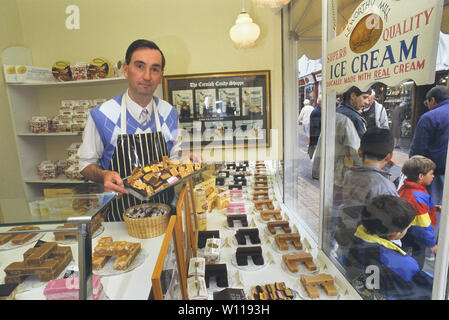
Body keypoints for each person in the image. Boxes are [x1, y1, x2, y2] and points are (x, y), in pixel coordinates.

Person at [78, 39, 182, 222]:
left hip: (164, 220)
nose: (147, 76)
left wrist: (186, 165)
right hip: (119, 222)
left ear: (161, 76)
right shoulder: (102, 115)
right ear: (126, 69)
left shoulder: (170, 114)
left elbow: (176, 161)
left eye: (155, 69)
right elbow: (85, 166)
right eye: (140, 66)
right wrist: (104, 174)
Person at [333, 128, 398, 276]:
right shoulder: (385, 187)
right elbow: (391, 227)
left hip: (346, 239)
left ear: (360, 152)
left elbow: (368, 172)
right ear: (390, 156)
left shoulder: (350, 173)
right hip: (368, 250)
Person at [347, 195, 433, 300]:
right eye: (407, 228)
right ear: (395, 235)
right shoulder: (404, 263)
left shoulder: (352, 235)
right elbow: (427, 290)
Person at [409, 85, 449, 206]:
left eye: (427, 103)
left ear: (432, 100)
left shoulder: (429, 117)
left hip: (434, 175)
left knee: (432, 209)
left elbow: (417, 150)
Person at [398, 155, 439, 269]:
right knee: (416, 258)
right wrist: (431, 243)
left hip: (405, 232)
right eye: (431, 173)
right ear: (421, 176)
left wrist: (434, 208)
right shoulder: (417, 196)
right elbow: (423, 225)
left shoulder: (406, 188)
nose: (433, 176)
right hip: (416, 236)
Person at [308, 95, 321, 159]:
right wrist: (315, 143)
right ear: (321, 102)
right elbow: (315, 128)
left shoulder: (318, 110)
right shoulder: (317, 112)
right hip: (316, 141)